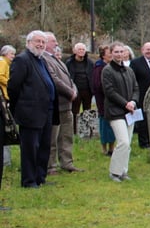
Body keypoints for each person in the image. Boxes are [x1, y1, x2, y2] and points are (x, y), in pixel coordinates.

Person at [8, 31, 57, 188]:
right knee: (30, 149)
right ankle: (28, 180)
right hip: (30, 112)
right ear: (28, 42)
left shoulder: (40, 60)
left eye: (43, 42)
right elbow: (13, 87)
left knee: (44, 147)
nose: (41, 45)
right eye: (37, 41)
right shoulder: (22, 60)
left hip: (46, 111)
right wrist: (20, 107)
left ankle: (40, 178)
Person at [43, 32, 82, 174]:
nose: (57, 44)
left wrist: (74, 90)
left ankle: (67, 162)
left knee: (66, 136)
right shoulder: (44, 59)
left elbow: (69, 79)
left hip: (67, 106)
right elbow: (54, 80)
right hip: (56, 105)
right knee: (53, 137)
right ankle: (50, 165)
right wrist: (69, 92)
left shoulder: (57, 60)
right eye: (53, 41)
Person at [102, 42, 139, 182]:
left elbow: (136, 88)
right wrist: (125, 104)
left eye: (121, 51)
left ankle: (123, 171)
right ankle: (114, 172)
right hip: (115, 111)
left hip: (130, 112)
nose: (119, 54)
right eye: (116, 52)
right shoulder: (107, 71)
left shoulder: (129, 70)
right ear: (111, 53)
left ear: (125, 53)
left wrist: (133, 102)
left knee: (128, 143)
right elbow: (109, 91)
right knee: (123, 141)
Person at [130, 42, 150, 148]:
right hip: (141, 95)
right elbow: (132, 80)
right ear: (142, 50)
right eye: (147, 49)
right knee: (142, 120)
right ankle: (144, 143)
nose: (149, 51)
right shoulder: (135, 63)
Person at [65, 42, 94, 134]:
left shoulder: (90, 63)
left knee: (87, 111)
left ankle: (87, 131)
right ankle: (74, 131)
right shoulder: (69, 63)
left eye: (83, 49)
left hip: (87, 90)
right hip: (75, 90)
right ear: (75, 51)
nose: (81, 51)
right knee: (74, 111)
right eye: (79, 49)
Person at [0, 45, 16, 169]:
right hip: (3, 96)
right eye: (12, 54)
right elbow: (0, 76)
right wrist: (10, 82)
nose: (13, 57)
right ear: (6, 54)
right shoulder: (2, 62)